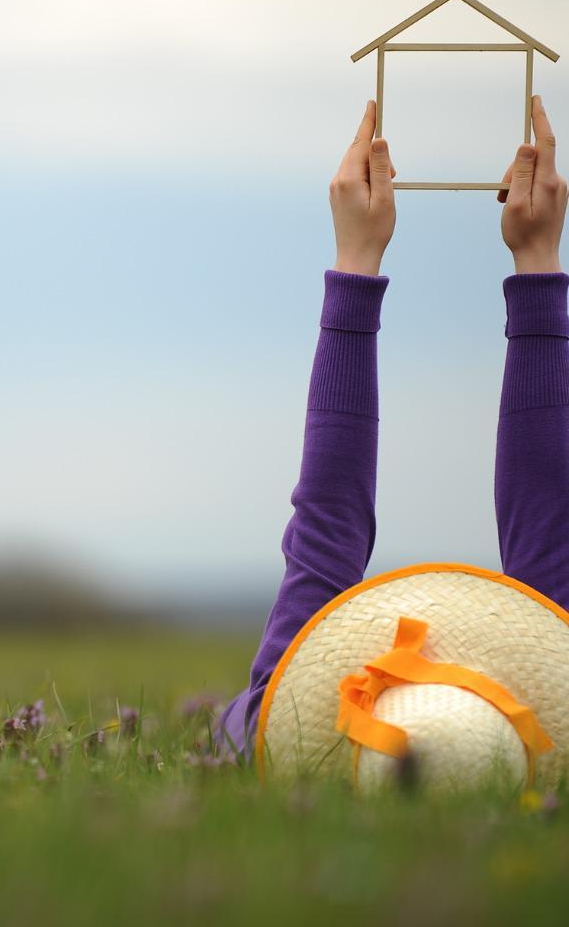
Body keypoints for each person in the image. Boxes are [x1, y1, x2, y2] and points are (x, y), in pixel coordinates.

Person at [216, 94, 569, 773]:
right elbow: (547, 523)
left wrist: (357, 255)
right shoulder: (269, 723)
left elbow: (327, 526)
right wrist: (537, 259)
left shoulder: (265, 721)